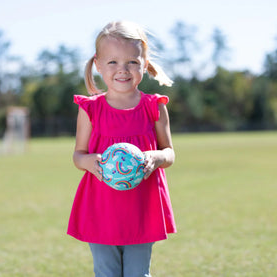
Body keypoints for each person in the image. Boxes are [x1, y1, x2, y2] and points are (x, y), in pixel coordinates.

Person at [67, 21, 177, 277]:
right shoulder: (90, 109)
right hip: (101, 207)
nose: (123, 70)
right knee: (106, 273)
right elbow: (78, 155)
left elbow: (169, 152)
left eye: (132, 62)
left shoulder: (154, 106)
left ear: (144, 62)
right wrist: (89, 162)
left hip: (141, 207)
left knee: (138, 274)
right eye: (113, 62)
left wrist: (157, 156)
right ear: (98, 64)